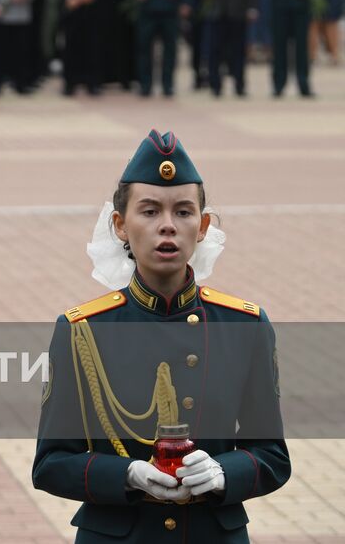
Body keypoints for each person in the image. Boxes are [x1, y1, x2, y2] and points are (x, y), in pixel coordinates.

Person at [33, 130, 290, 541]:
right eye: (149, 212)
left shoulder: (245, 325)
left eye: (184, 212)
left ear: (203, 226)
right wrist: (127, 474)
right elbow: (50, 464)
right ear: (120, 225)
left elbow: (273, 456)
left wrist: (226, 473)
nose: (167, 226)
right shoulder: (83, 330)